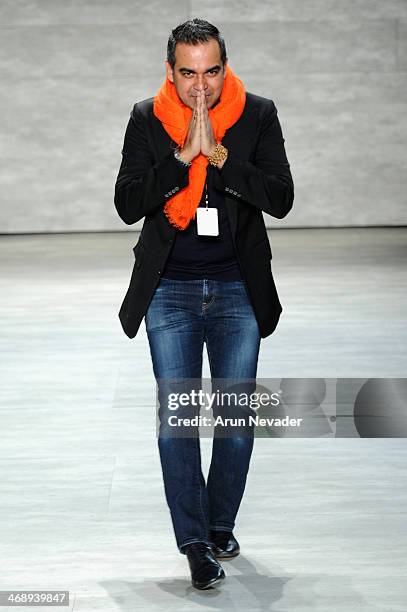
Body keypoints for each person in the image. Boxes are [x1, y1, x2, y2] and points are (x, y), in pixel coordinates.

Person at [114, 18, 294, 590]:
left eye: (211, 72)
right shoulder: (146, 118)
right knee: (179, 422)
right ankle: (194, 544)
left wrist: (217, 156)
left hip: (238, 287)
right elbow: (126, 202)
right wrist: (177, 161)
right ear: (171, 70)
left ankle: (219, 524)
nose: (200, 87)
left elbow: (281, 197)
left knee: (237, 422)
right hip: (170, 289)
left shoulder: (257, 114)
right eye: (188, 73)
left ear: (225, 67)